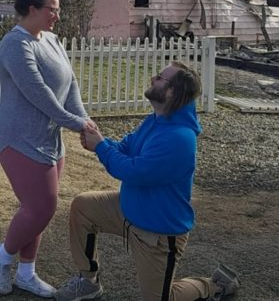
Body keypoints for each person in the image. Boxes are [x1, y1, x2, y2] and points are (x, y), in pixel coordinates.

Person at [55, 61, 240, 301]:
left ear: (172, 91)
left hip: (157, 233)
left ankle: (214, 286)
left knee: (162, 298)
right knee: (83, 207)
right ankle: (88, 282)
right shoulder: (156, 120)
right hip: (129, 210)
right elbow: (126, 147)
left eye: (160, 78)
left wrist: (100, 146)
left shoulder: (179, 139)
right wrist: (99, 140)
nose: (153, 79)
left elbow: (134, 171)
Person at [0, 0, 97, 298]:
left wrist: (83, 119)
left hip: (51, 139)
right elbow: (37, 93)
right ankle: (1, 260)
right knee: (41, 207)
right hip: (18, 138)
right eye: (52, 9)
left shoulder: (51, 40)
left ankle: (26, 273)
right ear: (32, 8)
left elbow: (70, 85)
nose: (57, 15)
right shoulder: (14, 43)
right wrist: (75, 124)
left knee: (36, 208)